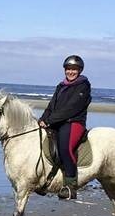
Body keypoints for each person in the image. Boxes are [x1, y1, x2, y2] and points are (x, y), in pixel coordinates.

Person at [38, 54, 91, 200]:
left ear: (79, 70)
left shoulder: (83, 85)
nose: (71, 72)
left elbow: (71, 108)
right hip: (57, 121)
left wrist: (50, 121)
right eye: (68, 69)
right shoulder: (61, 86)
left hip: (74, 122)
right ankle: (47, 180)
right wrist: (43, 119)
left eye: (74, 69)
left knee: (65, 148)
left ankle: (70, 186)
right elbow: (52, 105)